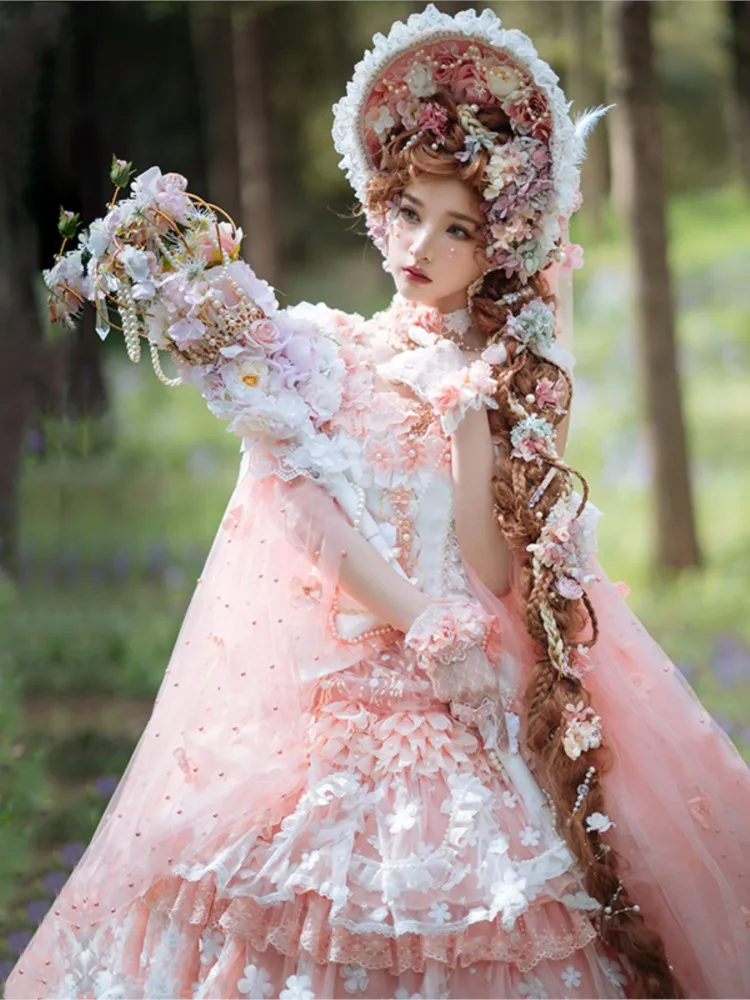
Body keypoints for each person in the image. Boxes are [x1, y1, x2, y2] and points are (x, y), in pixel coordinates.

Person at [7, 6, 750, 999]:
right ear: (378, 205)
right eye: (408, 214)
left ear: (495, 249)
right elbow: (300, 507)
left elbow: (491, 571)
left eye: (457, 230)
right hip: (347, 678)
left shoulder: (498, 381)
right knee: (302, 900)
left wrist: (473, 430)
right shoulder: (320, 352)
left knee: (496, 903)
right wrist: (415, 616)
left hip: (465, 690)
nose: (423, 247)